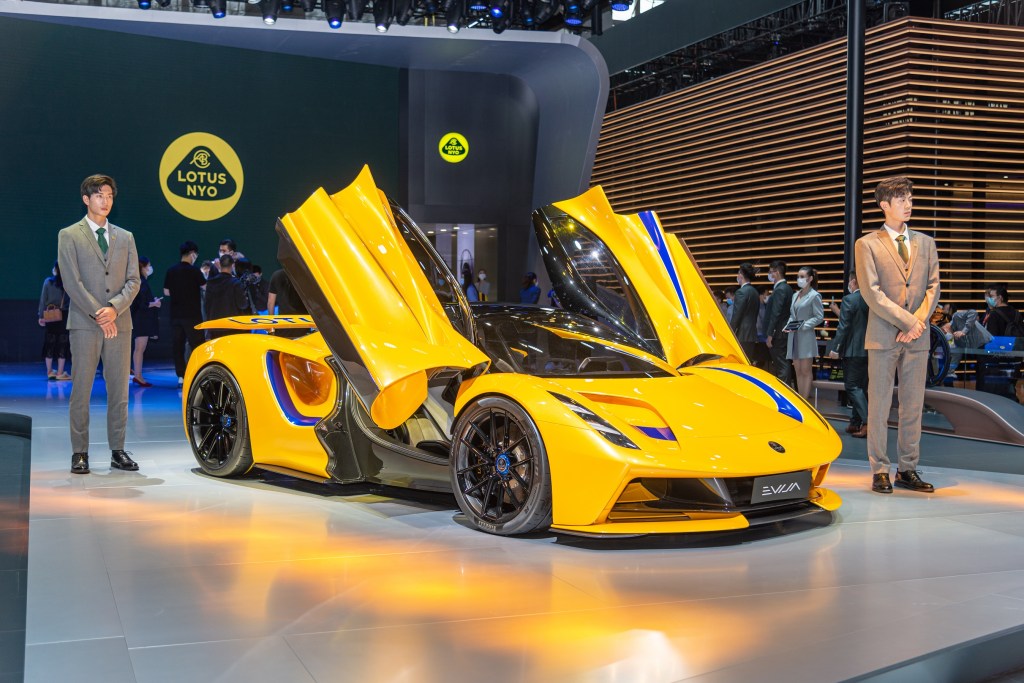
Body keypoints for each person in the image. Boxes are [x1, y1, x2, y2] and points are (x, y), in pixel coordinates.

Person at [855, 176, 940, 494]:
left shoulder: (926, 242)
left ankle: (908, 468)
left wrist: (918, 322)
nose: (908, 204)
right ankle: (879, 469)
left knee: (913, 405)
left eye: (910, 198)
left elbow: (934, 287)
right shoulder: (867, 244)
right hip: (883, 335)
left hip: (917, 338)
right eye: (901, 199)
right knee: (878, 404)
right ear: (884, 206)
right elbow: (871, 292)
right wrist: (907, 321)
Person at [57, 174, 141, 474]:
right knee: (81, 389)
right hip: (84, 323)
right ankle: (79, 452)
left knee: (119, 391)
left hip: (120, 323)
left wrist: (114, 309)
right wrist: (99, 313)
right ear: (86, 199)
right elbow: (71, 282)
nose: (105, 201)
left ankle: (118, 450)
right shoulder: (69, 235)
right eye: (99, 195)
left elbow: (134, 280)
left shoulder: (125, 237)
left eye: (109, 196)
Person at [828, 270, 869, 438]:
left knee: (852, 386)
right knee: (862, 387)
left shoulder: (848, 299)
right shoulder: (871, 300)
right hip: (869, 349)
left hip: (852, 350)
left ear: (853, 282)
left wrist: (835, 347)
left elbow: (843, 327)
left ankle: (867, 423)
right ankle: (855, 423)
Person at [163, 240, 206, 387]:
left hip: (175, 315)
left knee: (178, 346)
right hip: (192, 315)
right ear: (193, 254)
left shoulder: (171, 270)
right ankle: (199, 372)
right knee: (197, 345)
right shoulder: (195, 271)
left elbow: (166, 292)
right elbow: (205, 286)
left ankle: (181, 376)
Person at [784, 266, 824, 399]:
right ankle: (801, 399)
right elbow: (792, 315)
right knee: (798, 371)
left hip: (806, 336)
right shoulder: (796, 295)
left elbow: (819, 317)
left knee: (806, 371)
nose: (799, 279)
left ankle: (805, 401)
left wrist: (803, 325)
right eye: (798, 276)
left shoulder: (814, 296)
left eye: (802, 276)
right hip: (794, 336)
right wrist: (789, 325)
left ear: (810, 278)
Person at [129, 256, 161, 387]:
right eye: (149, 265)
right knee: (139, 349)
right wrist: (154, 303)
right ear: (143, 267)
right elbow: (141, 304)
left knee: (138, 349)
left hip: (139, 319)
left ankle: (137, 374)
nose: (150, 268)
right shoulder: (142, 282)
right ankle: (138, 375)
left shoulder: (140, 281)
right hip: (141, 320)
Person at [37, 260, 72, 381]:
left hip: (50, 315)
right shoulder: (68, 284)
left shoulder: (48, 282)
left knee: (49, 344)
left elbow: (43, 300)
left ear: (55, 269)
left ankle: (50, 372)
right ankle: (60, 373)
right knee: (62, 344)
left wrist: (41, 316)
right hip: (64, 316)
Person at [204, 254, 250, 339]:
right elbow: (242, 304)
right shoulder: (236, 283)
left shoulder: (210, 283)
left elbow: (207, 305)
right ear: (232, 265)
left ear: (220, 265)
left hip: (215, 327)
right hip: (232, 327)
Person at [764, 260, 795, 385]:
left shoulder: (781, 289)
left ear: (776, 272)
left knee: (781, 364)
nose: (769, 275)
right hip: (782, 331)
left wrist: (770, 334)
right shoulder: (786, 288)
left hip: (778, 333)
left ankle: (784, 391)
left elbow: (776, 313)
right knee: (783, 363)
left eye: (770, 272)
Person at [267, 268, 311, 339]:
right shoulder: (306, 275)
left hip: (285, 323)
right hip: (303, 323)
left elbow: (270, 301)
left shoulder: (277, 275)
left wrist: (270, 324)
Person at [731, 262, 759, 360]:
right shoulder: (755, 292)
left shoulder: (741, 292)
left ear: (741, 275)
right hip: (751, 334)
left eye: (738, 273)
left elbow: (737, 315)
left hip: (741, 335)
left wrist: (731, 332)